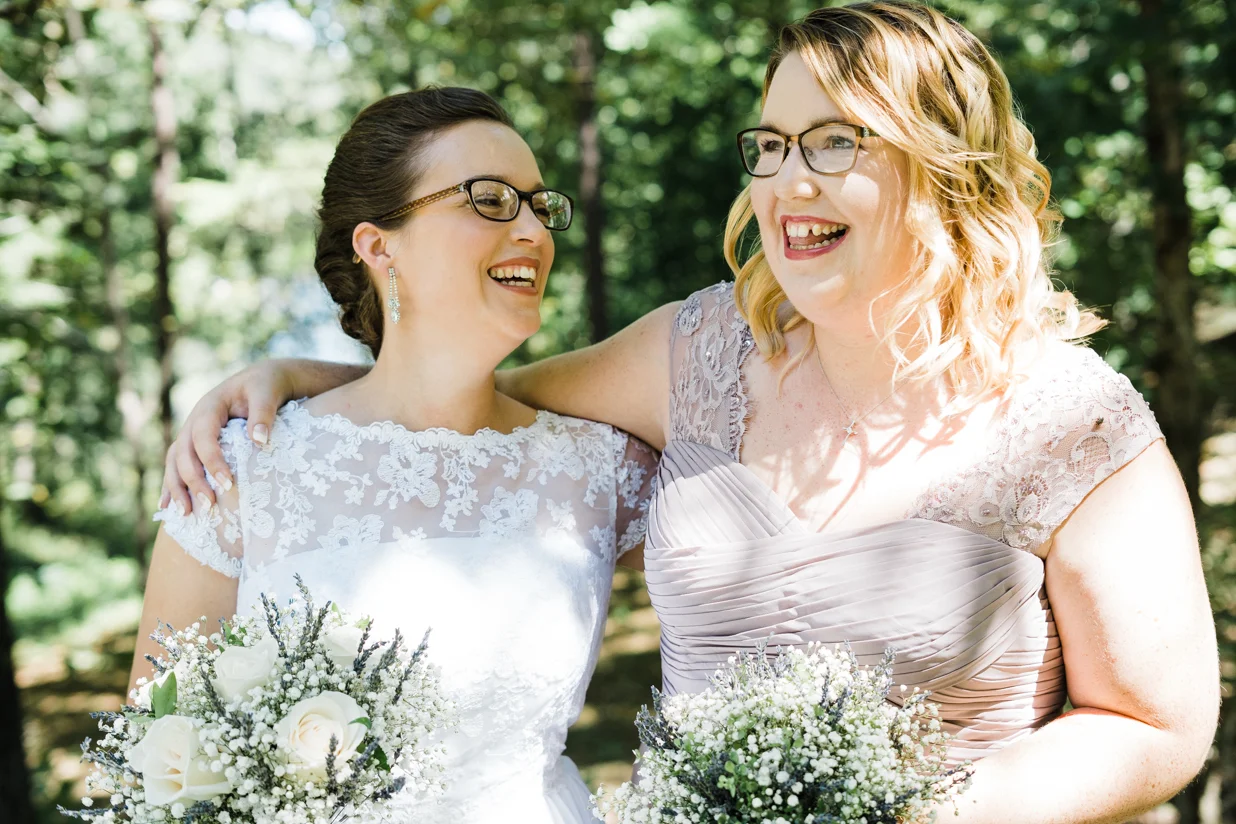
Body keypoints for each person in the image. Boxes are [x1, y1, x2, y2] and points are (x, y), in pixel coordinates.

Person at [163, 4, 1218, 822]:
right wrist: (305, 377)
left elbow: (1156, 723)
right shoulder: (699, 349)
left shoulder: (1074, 420)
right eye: (771, 145)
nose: (785, 182)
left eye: (832, 142)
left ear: (942, 160)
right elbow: (466, 406)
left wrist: (923, 813)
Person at [133, 86, 657, 824]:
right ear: (380, 247)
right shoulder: (241, 465)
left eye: (540, 205)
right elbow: (158, 761)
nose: (534, 230)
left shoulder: (599, 468)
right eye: (490, 199)